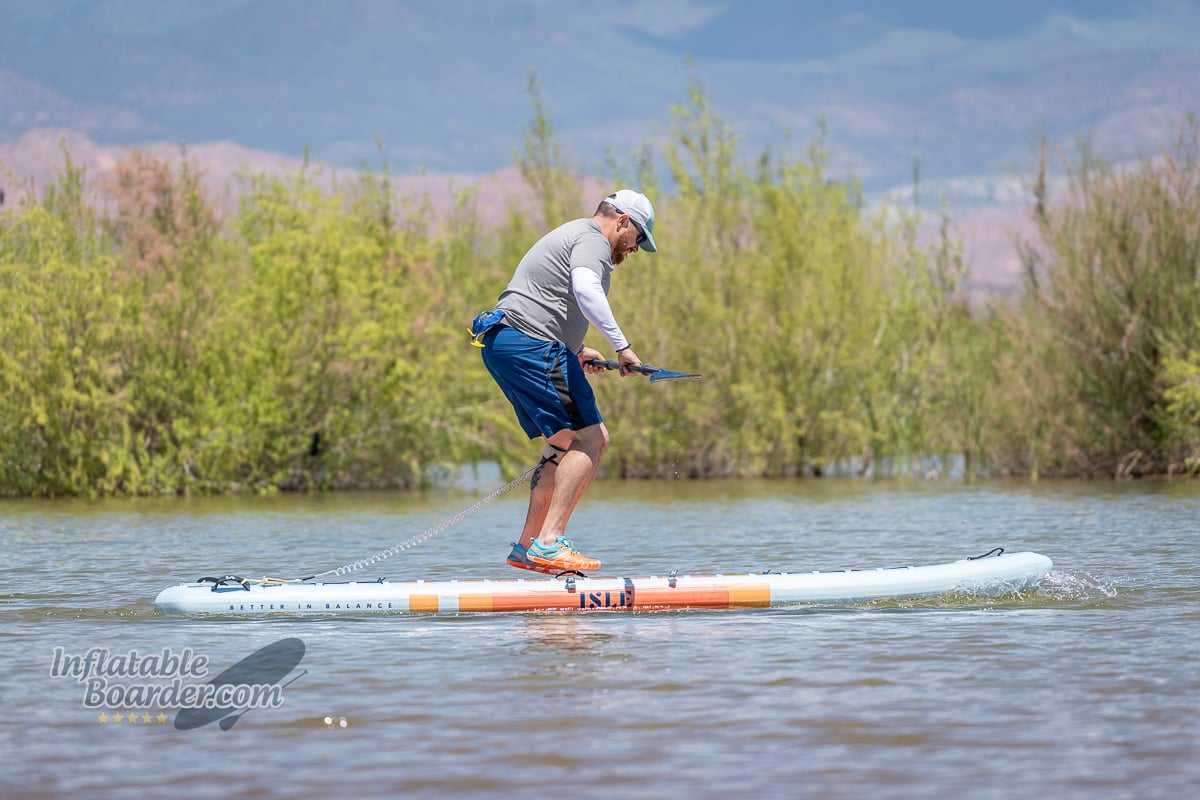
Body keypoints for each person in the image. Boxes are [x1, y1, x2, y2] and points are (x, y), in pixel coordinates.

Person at [472, 189, 658, 573]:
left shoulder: (574, 234)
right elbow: (585, 289)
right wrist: (622, 347)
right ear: (622, 220)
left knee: (562, 442)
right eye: (639, 237)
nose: (637, 248)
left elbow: (546, 300)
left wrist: (577, 350)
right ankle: (549, 543)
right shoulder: (592, 239)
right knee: (593, 439)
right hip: (531, 345)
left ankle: (527, 547)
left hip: (505, 343)